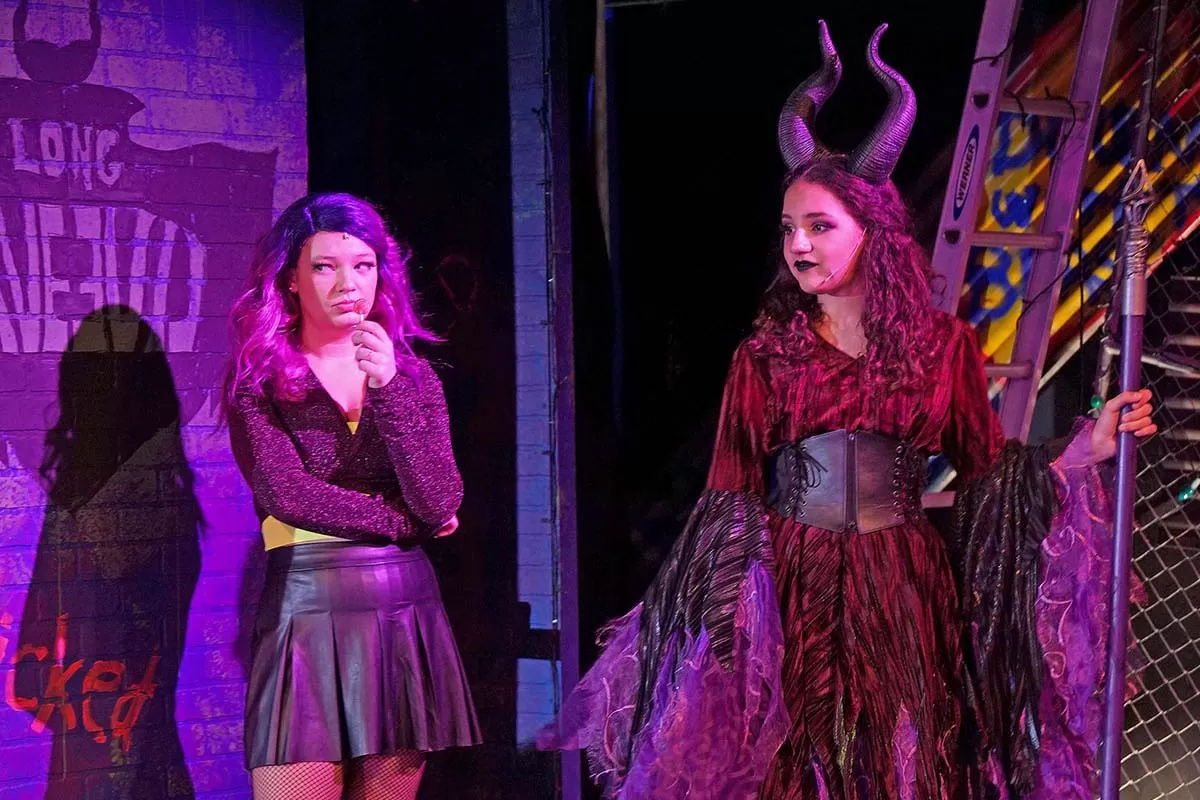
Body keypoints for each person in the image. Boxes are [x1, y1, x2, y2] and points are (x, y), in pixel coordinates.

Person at [538, 21, 1157, 800]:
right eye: (789, 228)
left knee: (900, 762)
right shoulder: (765, 355)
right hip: (794, 592)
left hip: (903, 592)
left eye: (820, 226)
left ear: (875, 233)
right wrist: (726, 633)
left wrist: (1081, 450)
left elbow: (990, 474)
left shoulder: (943, 347)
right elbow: (729, 498)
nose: (799, 245)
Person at [222, 193, 482, 800]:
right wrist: (405, 523)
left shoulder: (412, 378)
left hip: (402, 607)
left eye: (363, 266)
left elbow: (439, 495)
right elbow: (289, 495)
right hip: (307, 606)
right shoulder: (261, 381)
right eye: (325, 267)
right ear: (291, 278)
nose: (348, 284)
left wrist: (388, 386)